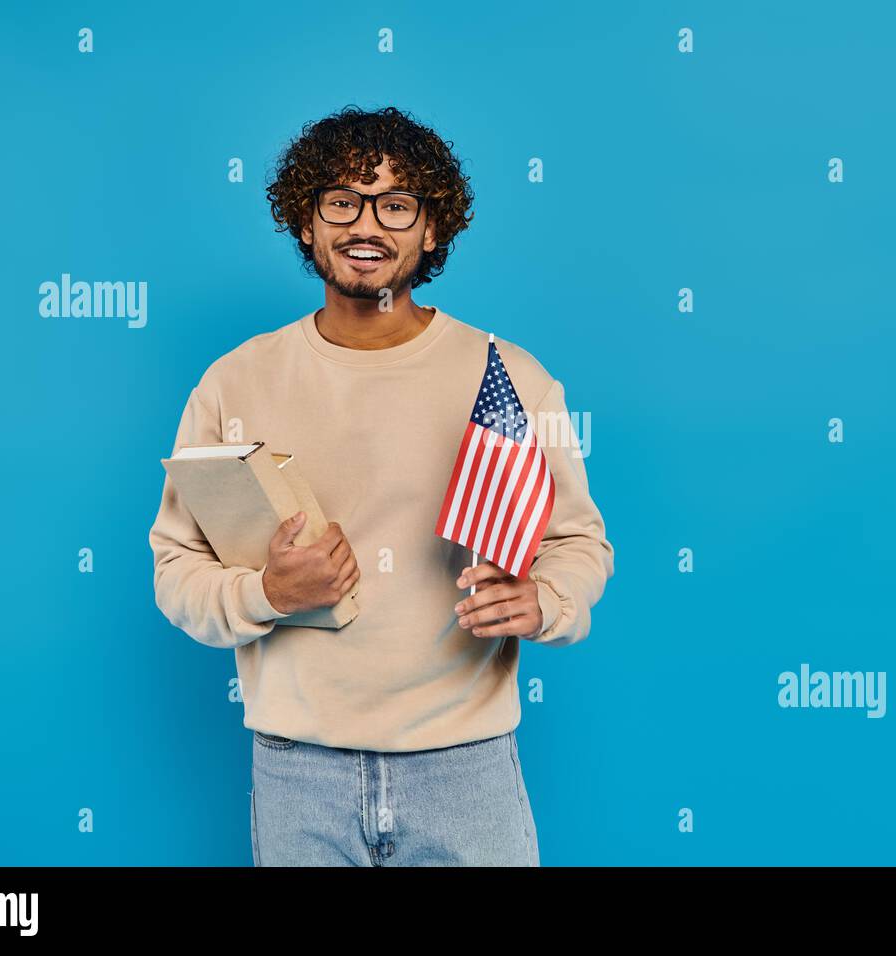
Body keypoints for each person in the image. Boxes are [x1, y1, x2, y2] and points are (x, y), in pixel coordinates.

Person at [147, 105, 613, 866]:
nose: (368, 225)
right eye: (342, 201)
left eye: (396, 204)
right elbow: (176, 573)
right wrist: (269, 592)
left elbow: (577, 540)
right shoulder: (232, 383)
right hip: (298, 767)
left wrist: (547, 601)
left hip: (468, 765)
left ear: (431, 229)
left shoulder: (517, 379)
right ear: (308, 221)